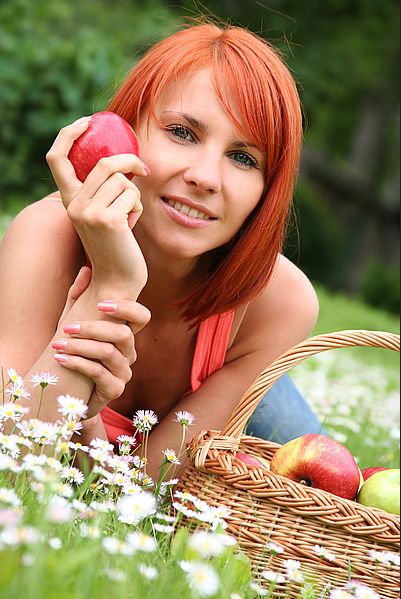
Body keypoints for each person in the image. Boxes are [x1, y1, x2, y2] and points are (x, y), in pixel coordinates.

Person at [0, 20, 324, 480]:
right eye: (183, 133)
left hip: (255, 405)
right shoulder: (47, 237)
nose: (206, 177)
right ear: (124, 131)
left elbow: (144, 495)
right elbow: (10, 463)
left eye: (243, 158)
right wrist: (112, 282)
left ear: (265, 191)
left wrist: (85, 427)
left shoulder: (278, 304)